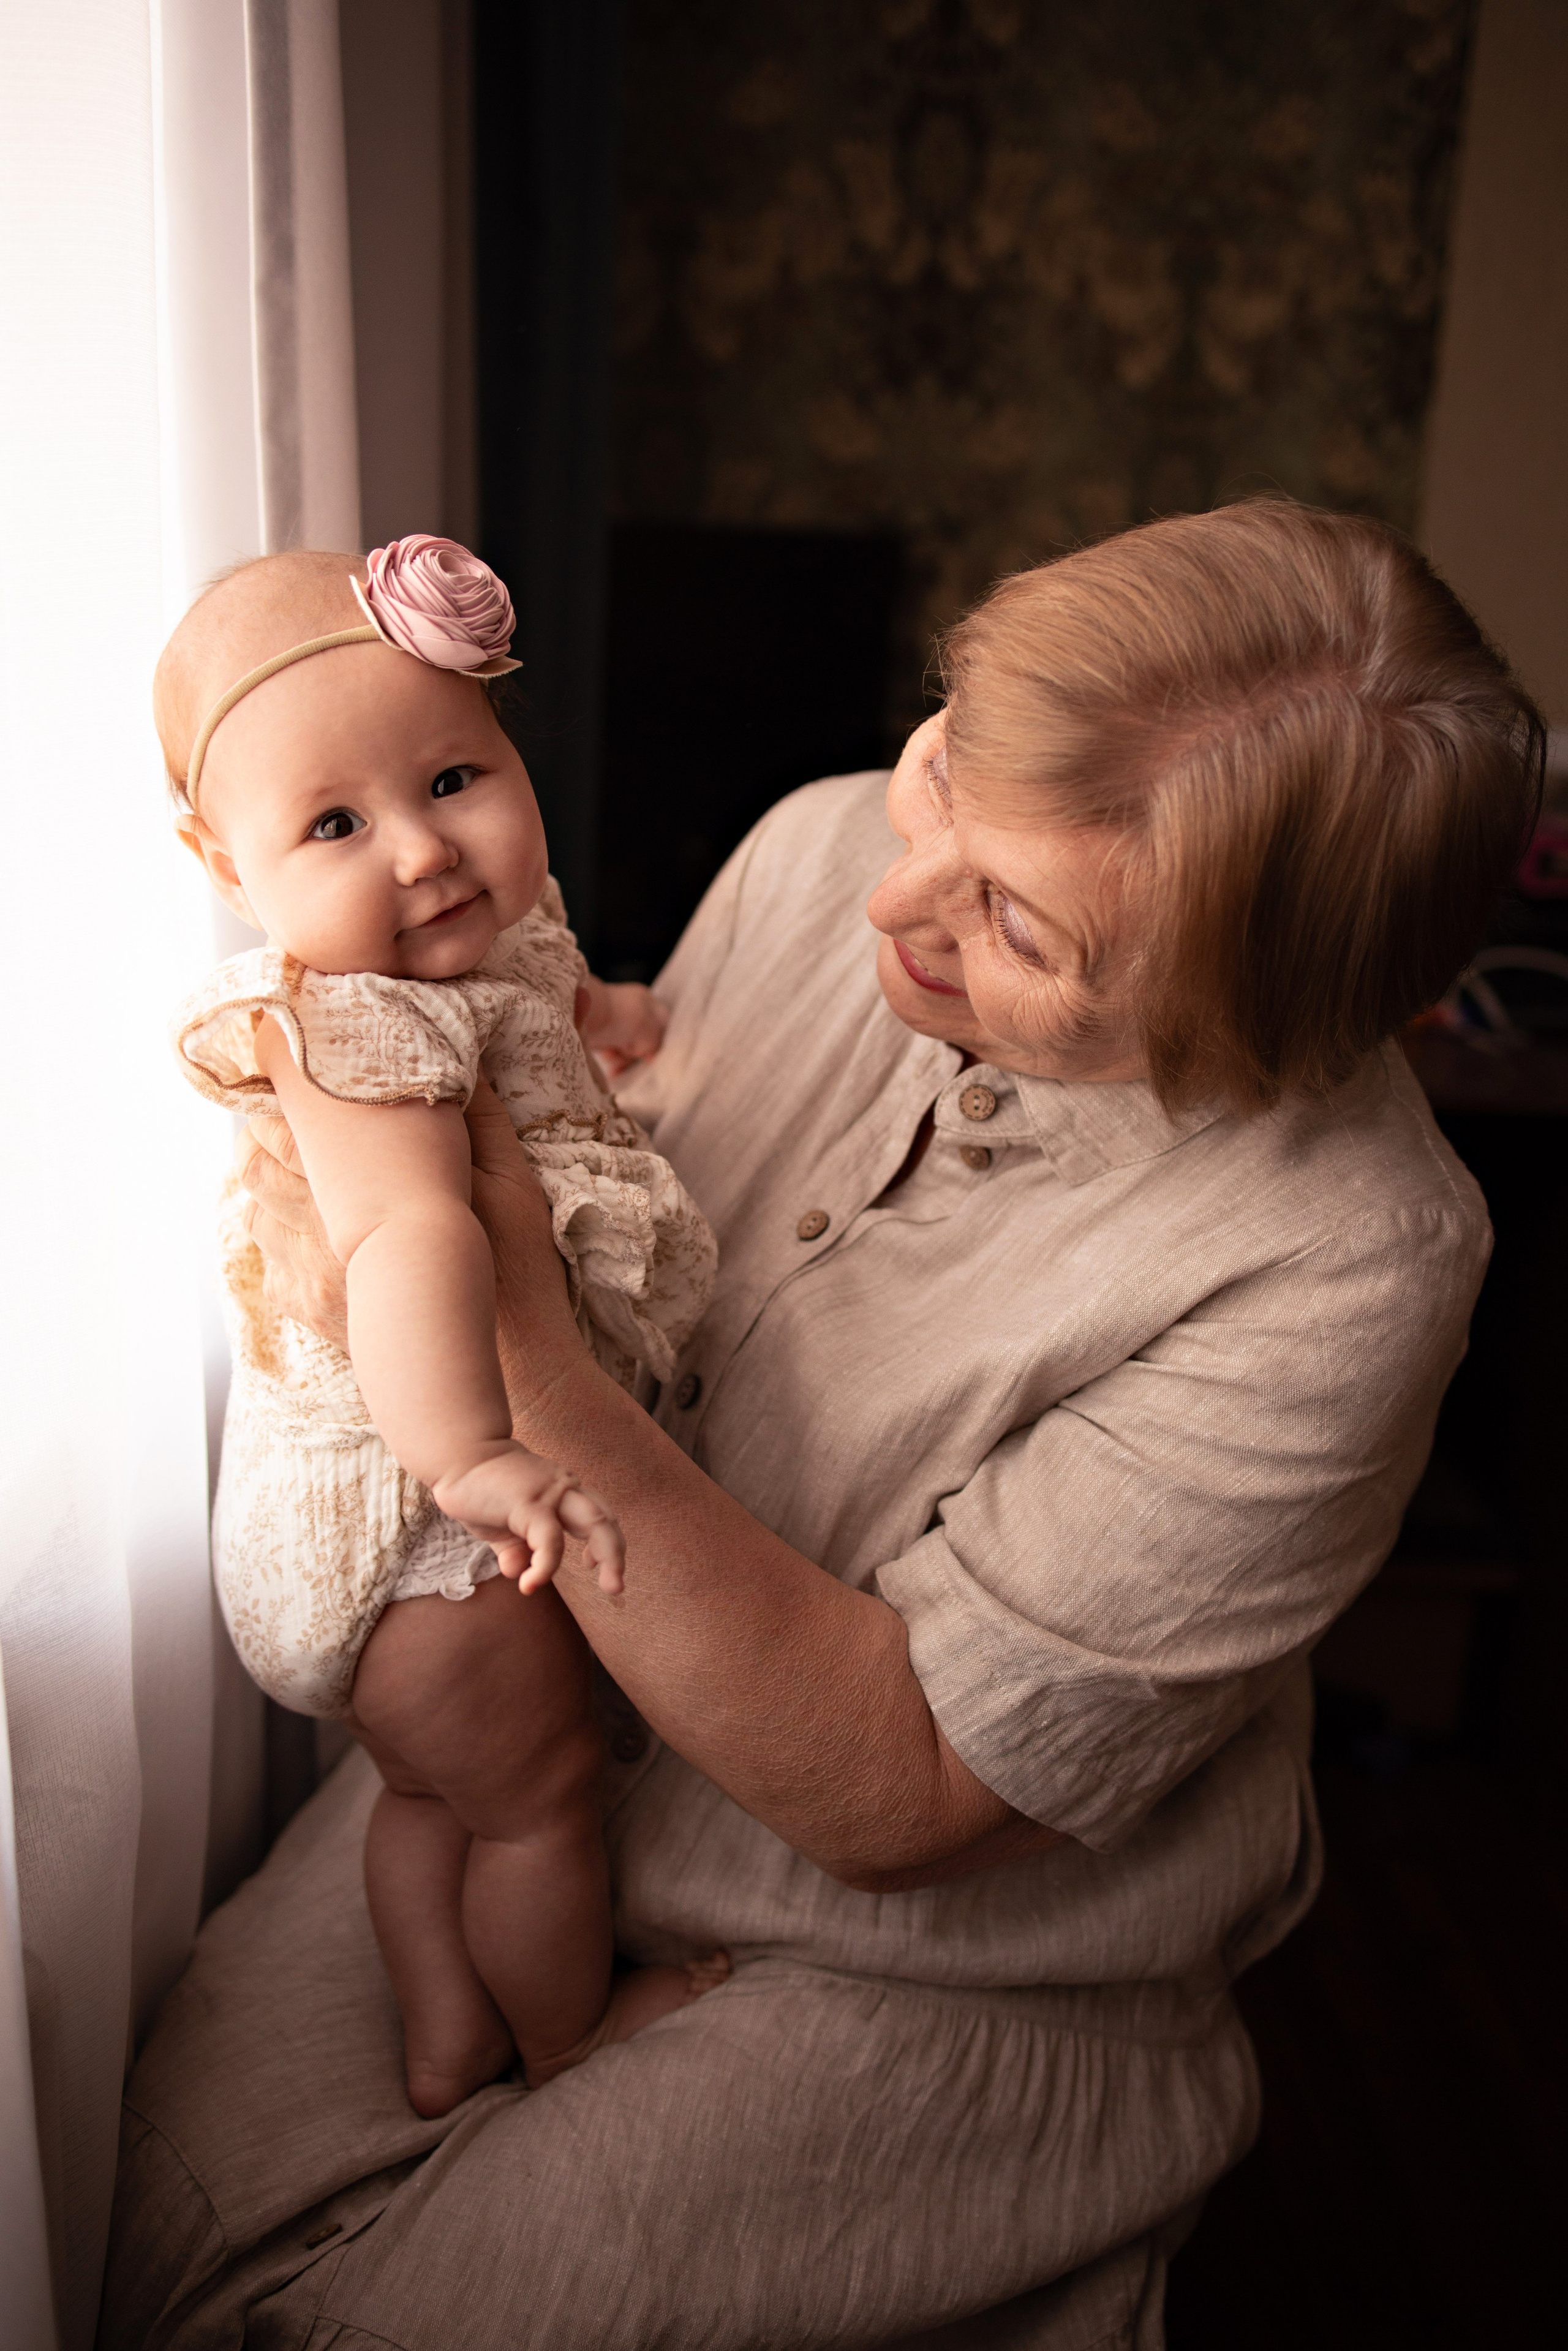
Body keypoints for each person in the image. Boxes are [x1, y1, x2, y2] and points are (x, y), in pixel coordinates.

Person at [105, 500, 1542, 2351]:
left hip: (912, 1954)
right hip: (542, 1741)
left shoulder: (1353, 1257)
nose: (884, 895)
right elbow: (609, 1127)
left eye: (1016, 924)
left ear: (1258, 1018)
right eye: (941, 770)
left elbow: (899, 1793)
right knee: (163, 2228)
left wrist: (506, 1329)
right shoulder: (816, 840)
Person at [159, 535, 721, 2115]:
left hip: (385, 1553)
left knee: (427, 1795)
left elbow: (540, 1007)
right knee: (541, 1805)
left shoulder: (470, 957)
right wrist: (477, 1457)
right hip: (424, 1531)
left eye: (456, 777)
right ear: (224, 860)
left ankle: (443, 2032)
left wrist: (609, 1019)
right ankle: (564, 2035)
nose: (422, 852)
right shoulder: (350, 1032)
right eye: (334, 823)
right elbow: (410, 1237)